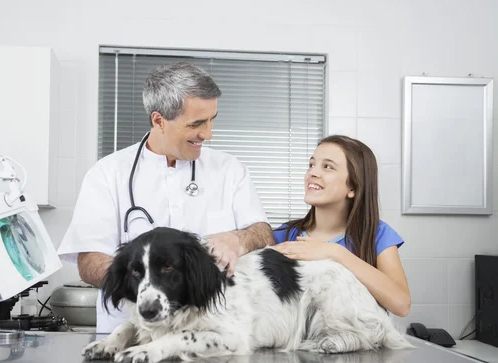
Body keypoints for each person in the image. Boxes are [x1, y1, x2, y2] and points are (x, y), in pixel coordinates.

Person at [58, 62, 274, 333]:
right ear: (159, 120)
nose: (208, 134)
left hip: (214, 337)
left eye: (211, 120)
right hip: (131, 336)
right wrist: (149, 287)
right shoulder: (106, 174)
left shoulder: (230, 170)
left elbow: (264, 234)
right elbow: (90, 262)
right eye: (196, 124)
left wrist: (239, 239)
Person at [272, 135, 411, 317]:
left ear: (353, 187)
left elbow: (401, 304)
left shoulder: (377, 235)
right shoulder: (284, 235)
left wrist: (335, 253)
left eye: (327, 166)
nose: (313, 172)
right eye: (311, 164)